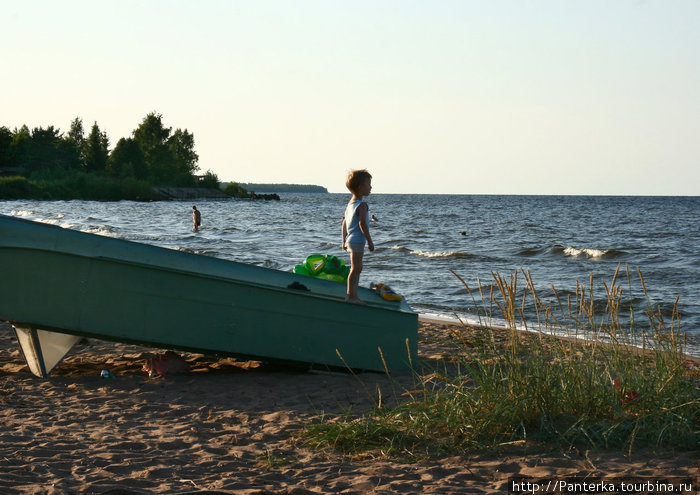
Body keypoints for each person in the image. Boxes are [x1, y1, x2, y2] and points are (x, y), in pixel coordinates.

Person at [341, 169, 374, 304]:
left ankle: (352, 295)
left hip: (350, 240)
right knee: (356, 269)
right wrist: (370, 242)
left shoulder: (350, 204)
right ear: (360, 187)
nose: (371, 187)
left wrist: (343, 240)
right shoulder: (362, 205)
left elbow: (344, 223)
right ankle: (351, 296)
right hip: (357, 240)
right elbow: (362, 224)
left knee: (357, 268)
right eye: (369, 184)